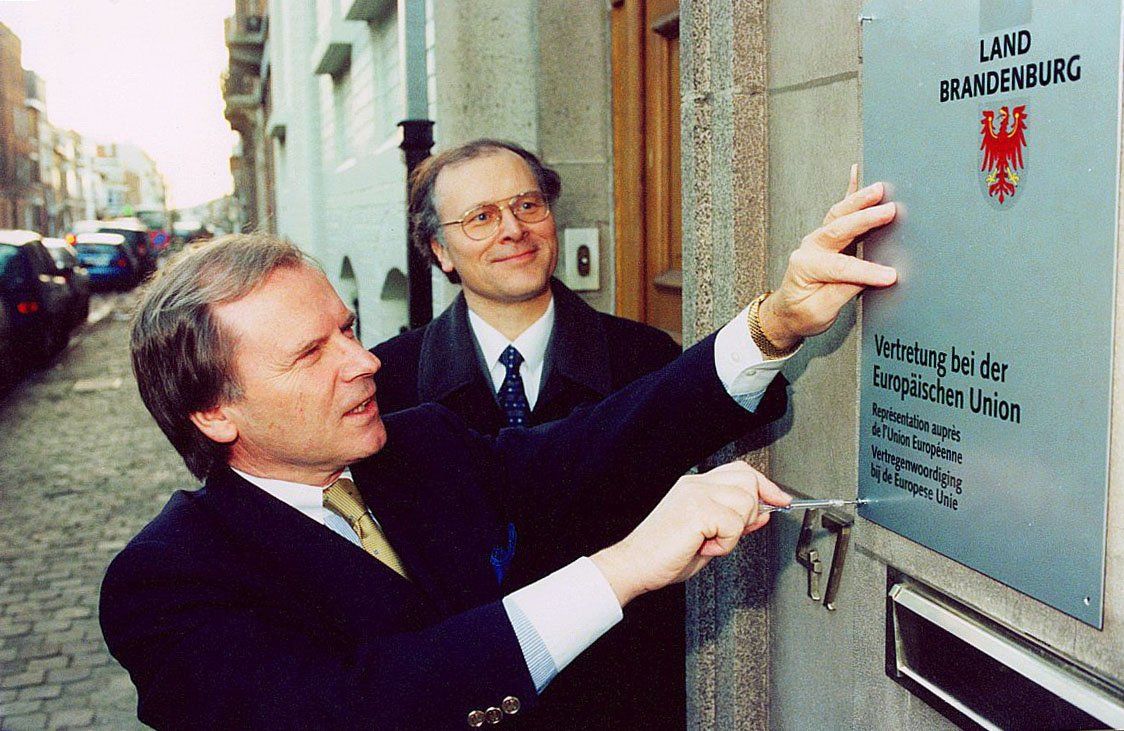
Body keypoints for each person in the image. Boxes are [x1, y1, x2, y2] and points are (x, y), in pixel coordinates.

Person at [99, 177, 896, 729]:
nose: (364, 360)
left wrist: (775, 325)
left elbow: (599, 444)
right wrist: (623, 567)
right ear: (214, 411)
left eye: (347, 329)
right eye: (312, 353)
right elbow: (356, 709)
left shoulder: (420, 445)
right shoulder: (167, 581)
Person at [372, 139, 687, 727]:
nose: (513, 230)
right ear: (440, 251)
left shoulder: (645, 360)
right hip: (465, 702)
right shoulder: (386, 385)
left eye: (527, 205)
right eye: (481, 217)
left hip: (623, 696)